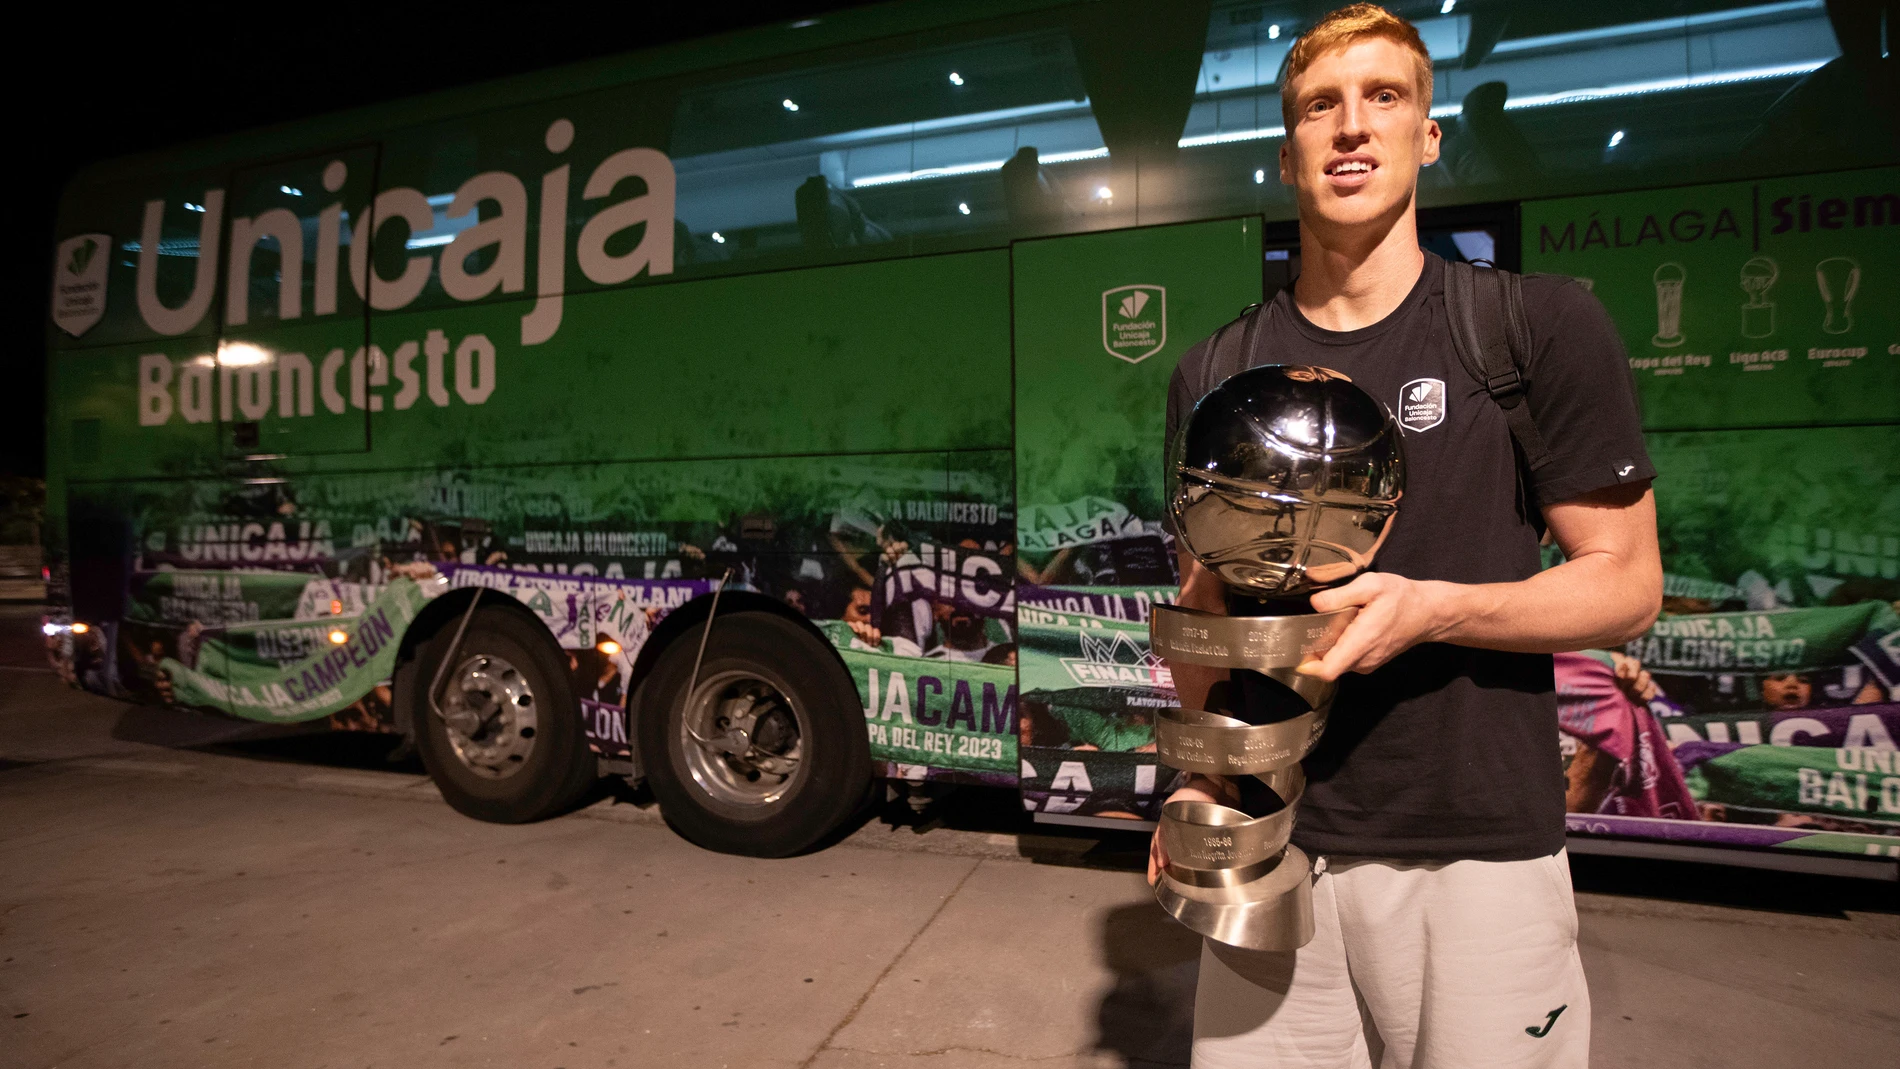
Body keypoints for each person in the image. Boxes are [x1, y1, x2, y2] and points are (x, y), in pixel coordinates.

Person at [1148, 7, 1662, 1067]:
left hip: (1473, 847)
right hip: (1269, 833)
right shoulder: (1215, 372)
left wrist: (1437, 609)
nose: (1350, 128)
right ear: (1286, 151)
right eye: (1318, 107)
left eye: (1383, 98)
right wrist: (1199, 777)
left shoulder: (1533, 327)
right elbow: (1205, 611)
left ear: (1427, 136)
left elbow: (1625, 584)